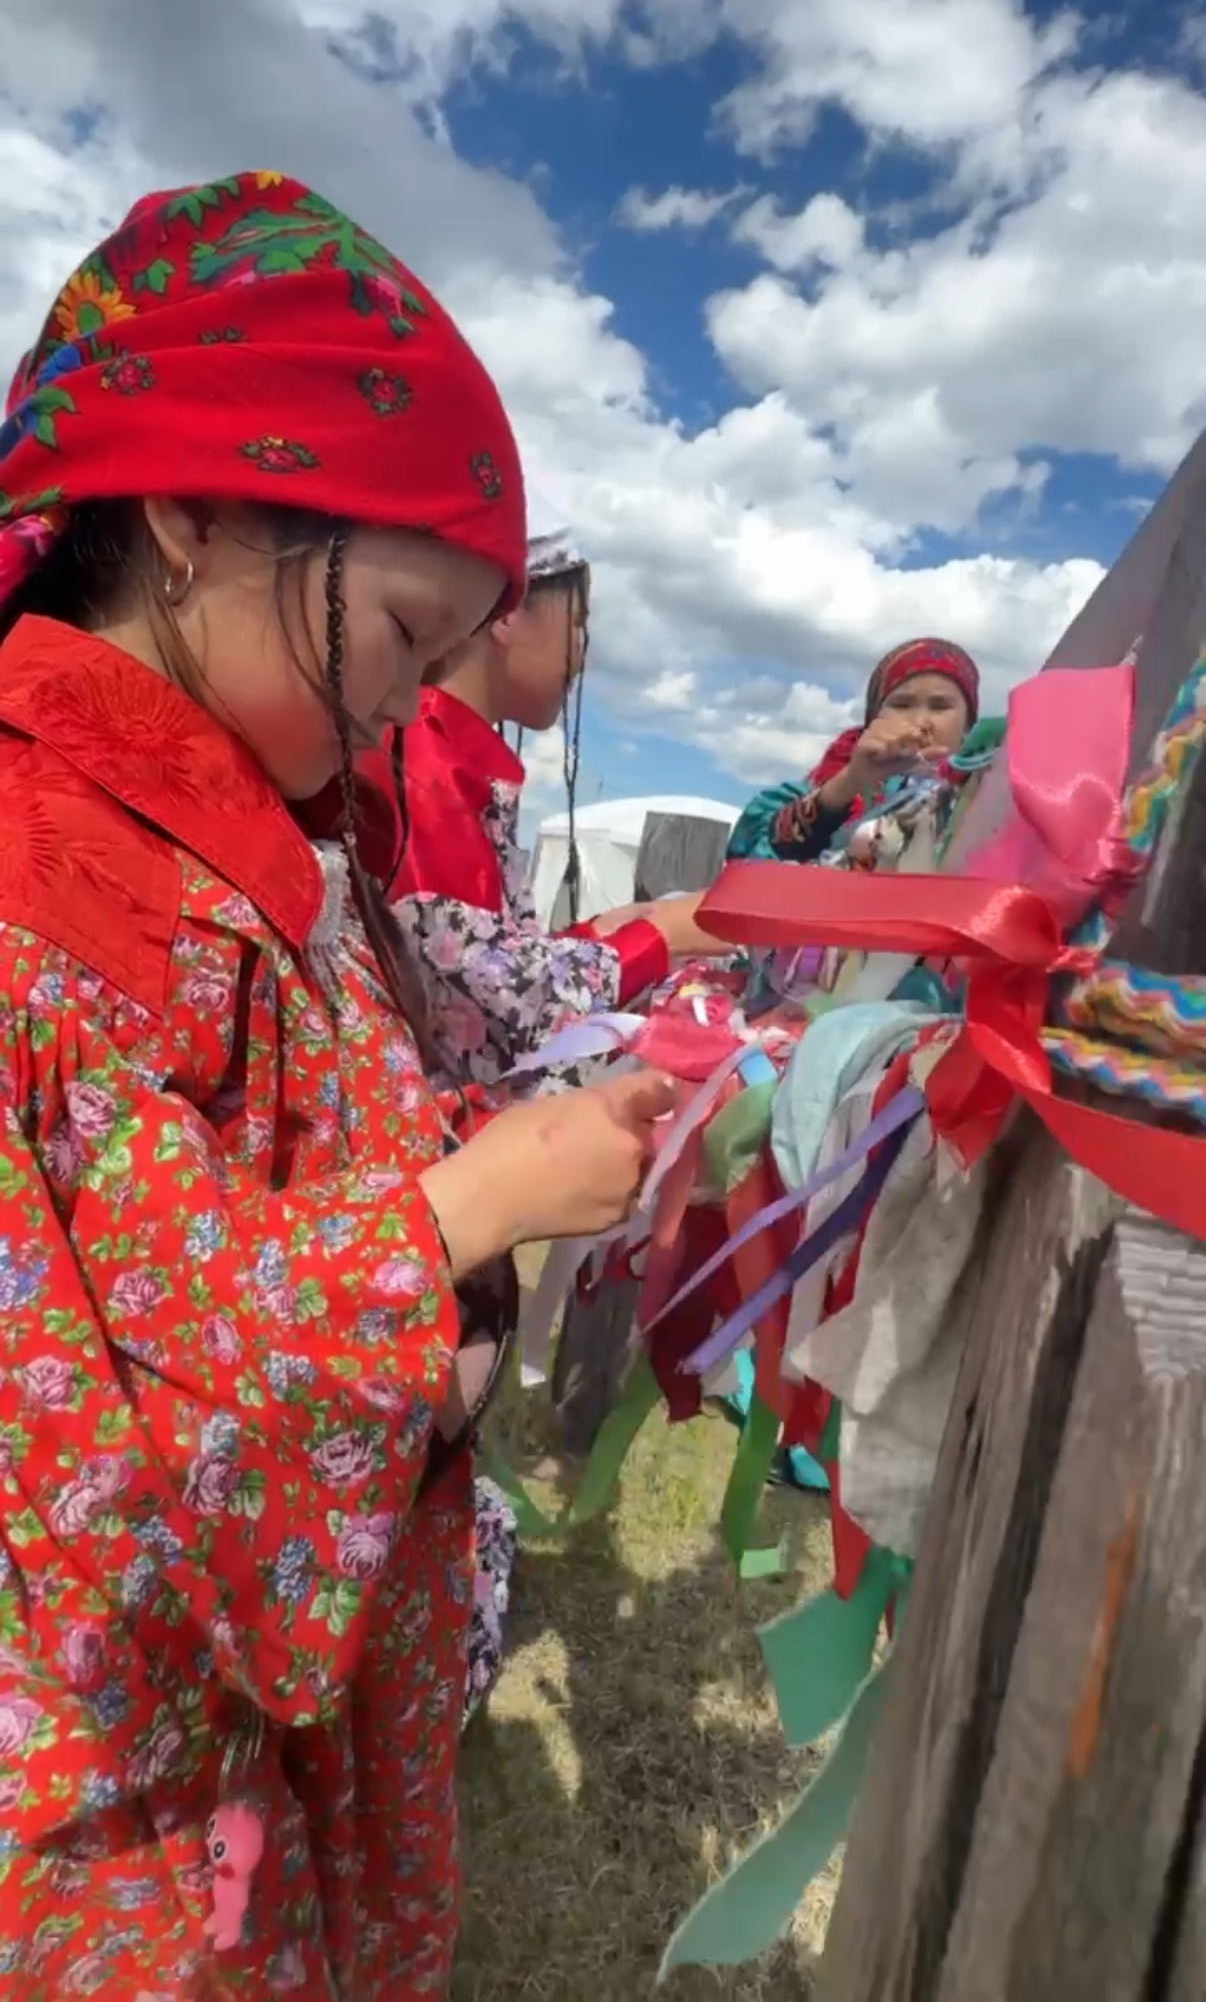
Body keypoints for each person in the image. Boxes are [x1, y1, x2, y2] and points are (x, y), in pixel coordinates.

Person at [0, 171, 673, 2001]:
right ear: (190, 514)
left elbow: (301, 1148)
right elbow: (87, 1438)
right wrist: (458, 1216)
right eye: (395, 635)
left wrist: (491, 1155)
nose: (404, 708)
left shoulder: (258, 844)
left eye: (446, 659)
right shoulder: (40, 872)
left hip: (291, 1721)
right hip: (134, 1796)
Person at [360, 495, 725, 1086]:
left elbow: (477, 959)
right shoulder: (421, 759)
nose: (580, 650)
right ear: (506, 613)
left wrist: (603, 933)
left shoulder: (450, 754)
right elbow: (483, 1010)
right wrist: (663, 935)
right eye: (577, 621)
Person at [727, 637, 981, 865]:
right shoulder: (824, 787)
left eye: (940, 706)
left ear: (968, 723)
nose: (920, 722)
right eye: (901, 704)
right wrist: (851, 780)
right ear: (873, 717)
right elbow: (754, 860)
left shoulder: (990, 796)